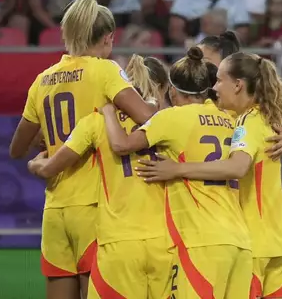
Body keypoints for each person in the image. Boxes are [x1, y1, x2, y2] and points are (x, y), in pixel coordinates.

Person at [9, 0, 156, 299]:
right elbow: (146, 118)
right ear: (108, 38)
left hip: (56, 208)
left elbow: (17, 147)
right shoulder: (104, 69)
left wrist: (48, 139)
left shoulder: (43, 79)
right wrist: (155, 102)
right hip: (95, 205)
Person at [136, 52, 282, 299]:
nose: (214, 87)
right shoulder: (270, 117)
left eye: (219, 80)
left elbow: (237, 167)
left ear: (238, 85)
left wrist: (177, 169)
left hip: (255, 241)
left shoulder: (246, 122)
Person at [99, 46, 253, 299]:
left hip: (201, 242)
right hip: (240, 241)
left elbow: (121, 145)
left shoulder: (172, 118)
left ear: (172, 89)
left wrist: (107, 109)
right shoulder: (231, 120)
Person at [25, 54, 172, 299]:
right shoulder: (173, 122)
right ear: (165, 88)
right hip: (162, 238)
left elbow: (47, 164)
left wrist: (34, 163)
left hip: (114, 237)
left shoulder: (97, 121)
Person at [198, 30, 282, 159]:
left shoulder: (254, 112)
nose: (197, 66)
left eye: (204, 61)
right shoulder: (190, 99)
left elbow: (238, 167)